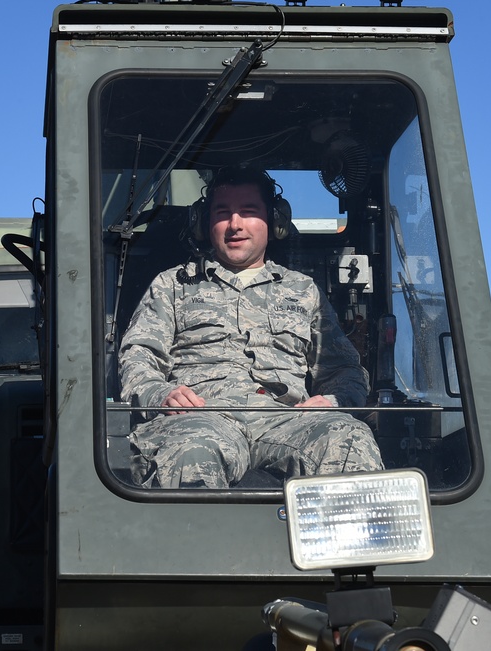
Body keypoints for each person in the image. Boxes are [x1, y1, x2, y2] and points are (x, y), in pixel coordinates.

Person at [118, 166, 383, 488]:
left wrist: (334, 400)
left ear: (274, 222)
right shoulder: (172, 285)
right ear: (204, 223)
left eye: (248, 212)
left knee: (349, 438)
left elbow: (345, 369)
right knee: (190, 452)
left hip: (288, 420)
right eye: (222, 213)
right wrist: (161, 393)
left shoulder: (303, 290)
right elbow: (139, 356)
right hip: (200, 418)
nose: (235, 225)